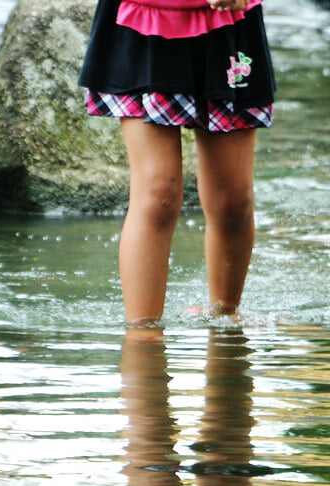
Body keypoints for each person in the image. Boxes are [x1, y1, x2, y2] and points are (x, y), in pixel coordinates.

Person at [78, 0, 277, 326]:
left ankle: (225, 318)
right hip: (144, 21)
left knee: (233, 201)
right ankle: (143, 337)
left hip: (228, 22)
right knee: (159, 192)